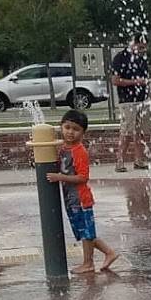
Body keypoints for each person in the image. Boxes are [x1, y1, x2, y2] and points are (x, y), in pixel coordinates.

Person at [46, 110, 117, 273]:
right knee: (84, 231)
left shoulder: (79, 151)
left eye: (75, 129)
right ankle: (109, 252)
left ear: (83, 133)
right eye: (67, 127)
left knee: (86, 232)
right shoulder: (63, 148)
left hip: (81, 199)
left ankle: (88, 263)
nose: (70, 132)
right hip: (71, 199)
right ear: (61, 127)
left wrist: (59, 177)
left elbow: (83, 177)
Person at [111, 37, 151, 171]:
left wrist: (147, 93)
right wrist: (135, 82)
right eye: (140, 47)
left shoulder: (142, 59)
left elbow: (145, 78)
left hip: (142, 100)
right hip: (127, 101)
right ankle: (120, 161)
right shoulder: (120, 58)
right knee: (127, 131)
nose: (142, 50)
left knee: (141, 132)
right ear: (133, 43)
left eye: (144, 48)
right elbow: (115, 80)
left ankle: (139, 160)